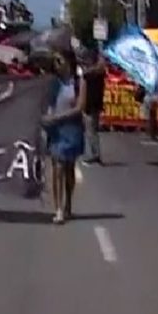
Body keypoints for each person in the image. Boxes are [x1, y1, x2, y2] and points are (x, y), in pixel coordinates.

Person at [43, 50, 87, 224]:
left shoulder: (79, 82)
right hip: (56, 131)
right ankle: (58, 209)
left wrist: (57, 117)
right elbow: (47, 103)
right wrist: (47, 118)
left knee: (69, 169)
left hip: (72, 130)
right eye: (55, 61)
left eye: (60, 61)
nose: (57, 64)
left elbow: (79, 107)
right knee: (57, 168)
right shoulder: (52, 83)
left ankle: (68, 202)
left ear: (69, 62)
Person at [81, 48, 106, 165]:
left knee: (91, 131)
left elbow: (88, 73)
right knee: (93, 131)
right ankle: (95, 154)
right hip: (95, 104)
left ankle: (95, 155)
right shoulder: (98, 73)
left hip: (91, 104)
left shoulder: (90, 74)